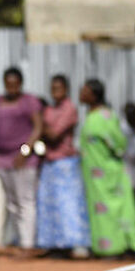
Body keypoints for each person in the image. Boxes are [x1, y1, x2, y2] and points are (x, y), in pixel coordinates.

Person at [79, 79, 135, 258]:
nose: (80, 94)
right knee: (99, 211)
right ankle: (104, 247)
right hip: (93, 174)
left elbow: (119, 143)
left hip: (109, 173)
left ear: (94, 94)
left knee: (115, 209)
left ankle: (121, 247)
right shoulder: (91, 116)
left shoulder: (106, 115)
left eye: (85, 91)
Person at [0, 67, 43, 258]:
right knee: (11, 203)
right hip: (1, 158)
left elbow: (38, 128)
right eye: (8, 83)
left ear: (20, 83)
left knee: (25, 201)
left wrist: (25, 151)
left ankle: (28, 244)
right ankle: (19, 241)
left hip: (23, 159)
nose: (11, 87)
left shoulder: (29, 102)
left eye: (14, 84)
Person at [36, 75, 91, 257]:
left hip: (65, 163)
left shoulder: (69, 109)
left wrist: (38, 126)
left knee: (67, 205)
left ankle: (71, 243)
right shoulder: (49, 109)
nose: (55, 91)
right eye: (53, 88)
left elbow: (53, 135)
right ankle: (53, 244)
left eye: (59, 88)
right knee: (49, 204)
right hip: (49, 162)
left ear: (66, 89)